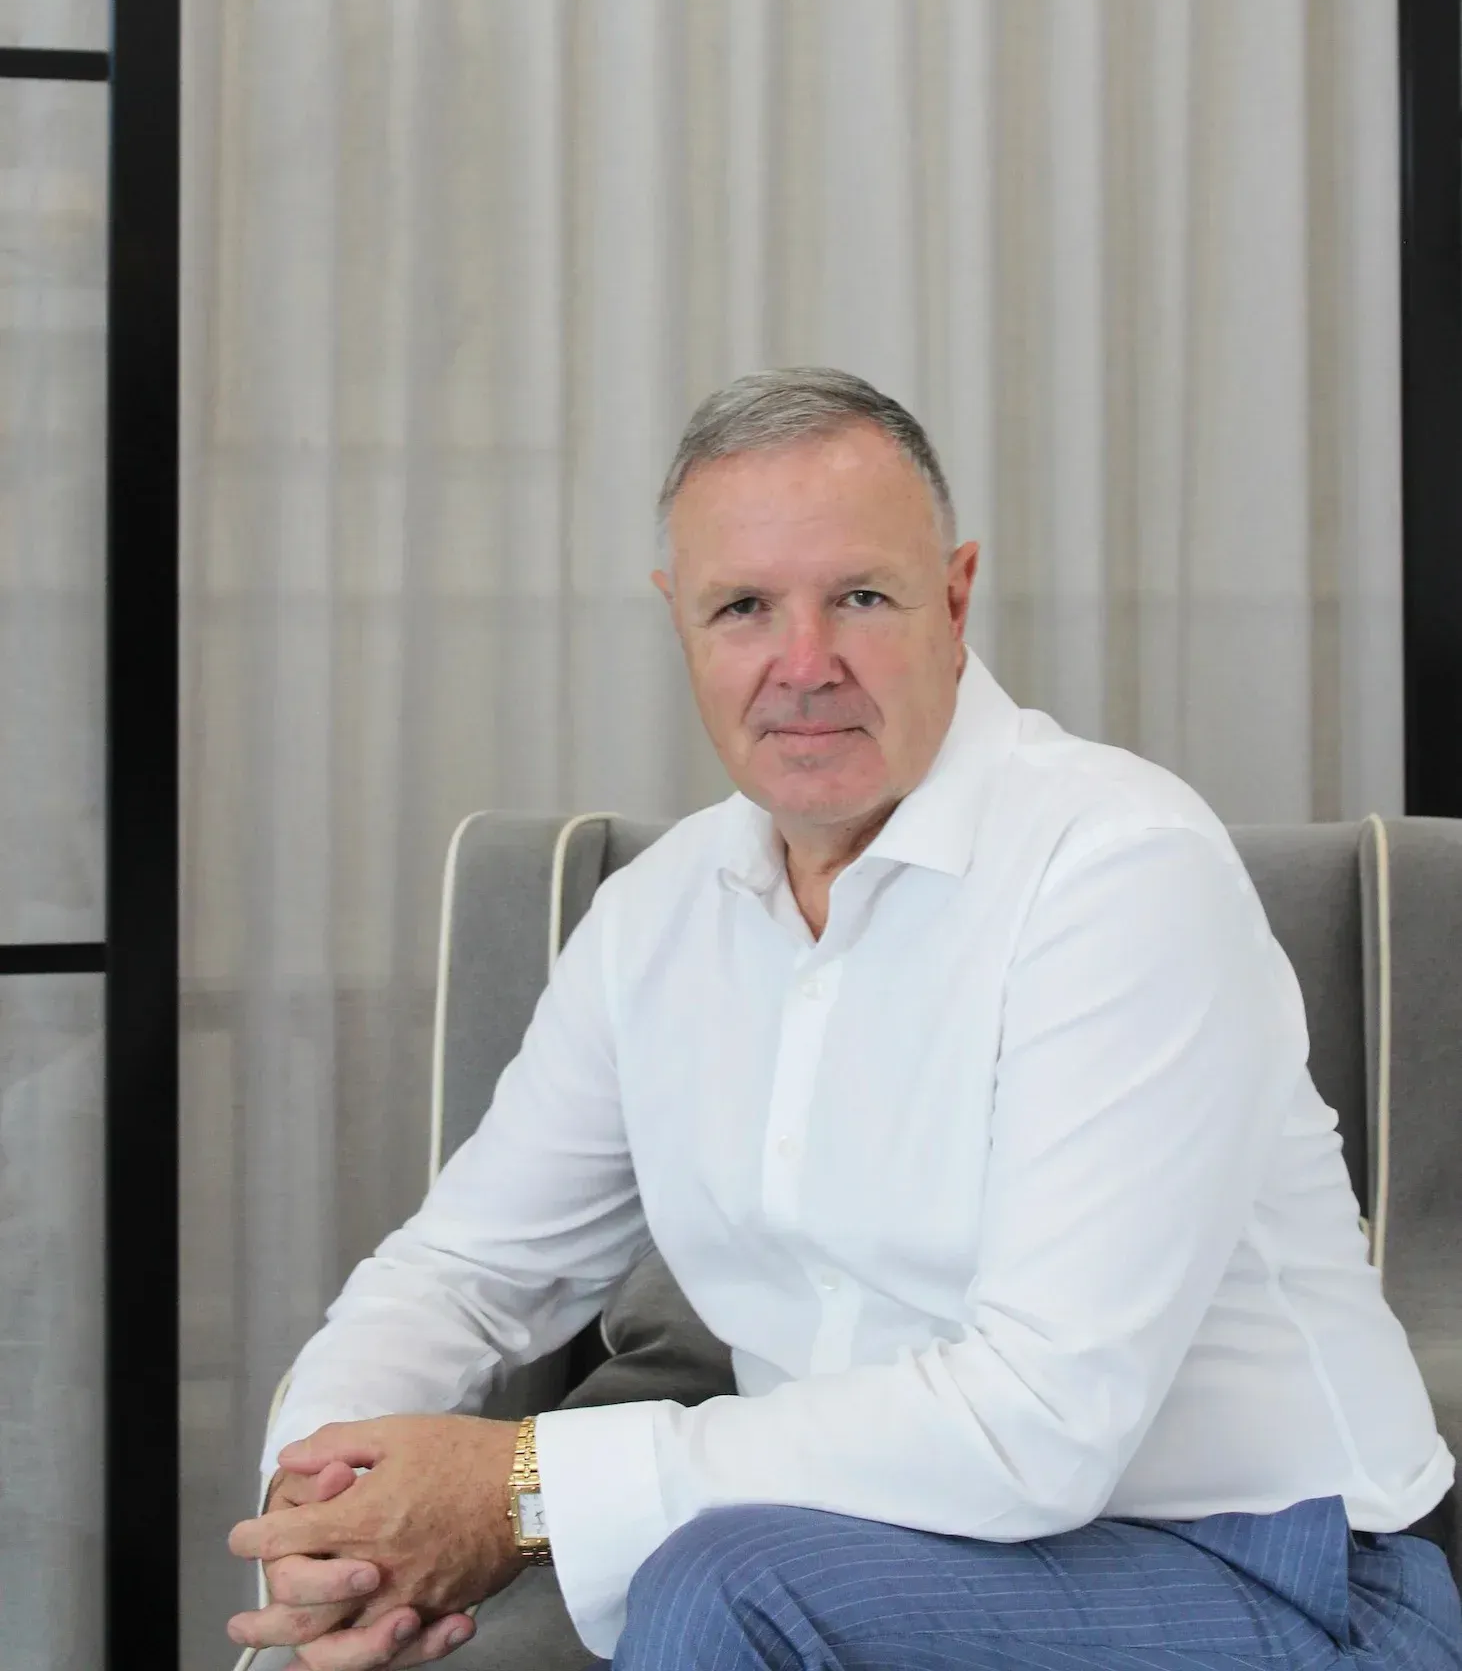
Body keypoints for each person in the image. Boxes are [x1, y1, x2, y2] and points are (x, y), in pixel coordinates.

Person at [228, 368, 1460, 1671]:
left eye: (859, 598)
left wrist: (521, 1487)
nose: (802, 665)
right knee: (719, 1579)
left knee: (727, 1586)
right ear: (678, 622)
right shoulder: (654, 924)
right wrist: (331, 1514)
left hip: (1271, 1574)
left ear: (954, 596)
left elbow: (1039, 1424)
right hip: (884, 1551)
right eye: (743, 607)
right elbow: (462, 1275)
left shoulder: (1119, 871)